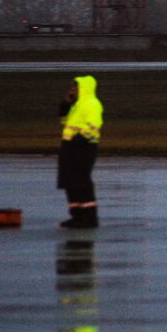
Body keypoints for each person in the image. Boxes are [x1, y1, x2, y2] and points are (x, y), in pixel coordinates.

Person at [57, 75, 103, 229]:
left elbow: (93, 126)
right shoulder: (77, 105)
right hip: (70, 148)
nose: (72, 90)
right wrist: (66, 104)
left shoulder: (92, 104)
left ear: (82, 88)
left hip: (84, 148)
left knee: (81, 181)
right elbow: (64, 122)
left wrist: (78, 141)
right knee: (70, 182)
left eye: (74, 87)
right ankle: (77, 215)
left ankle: (89, 217)